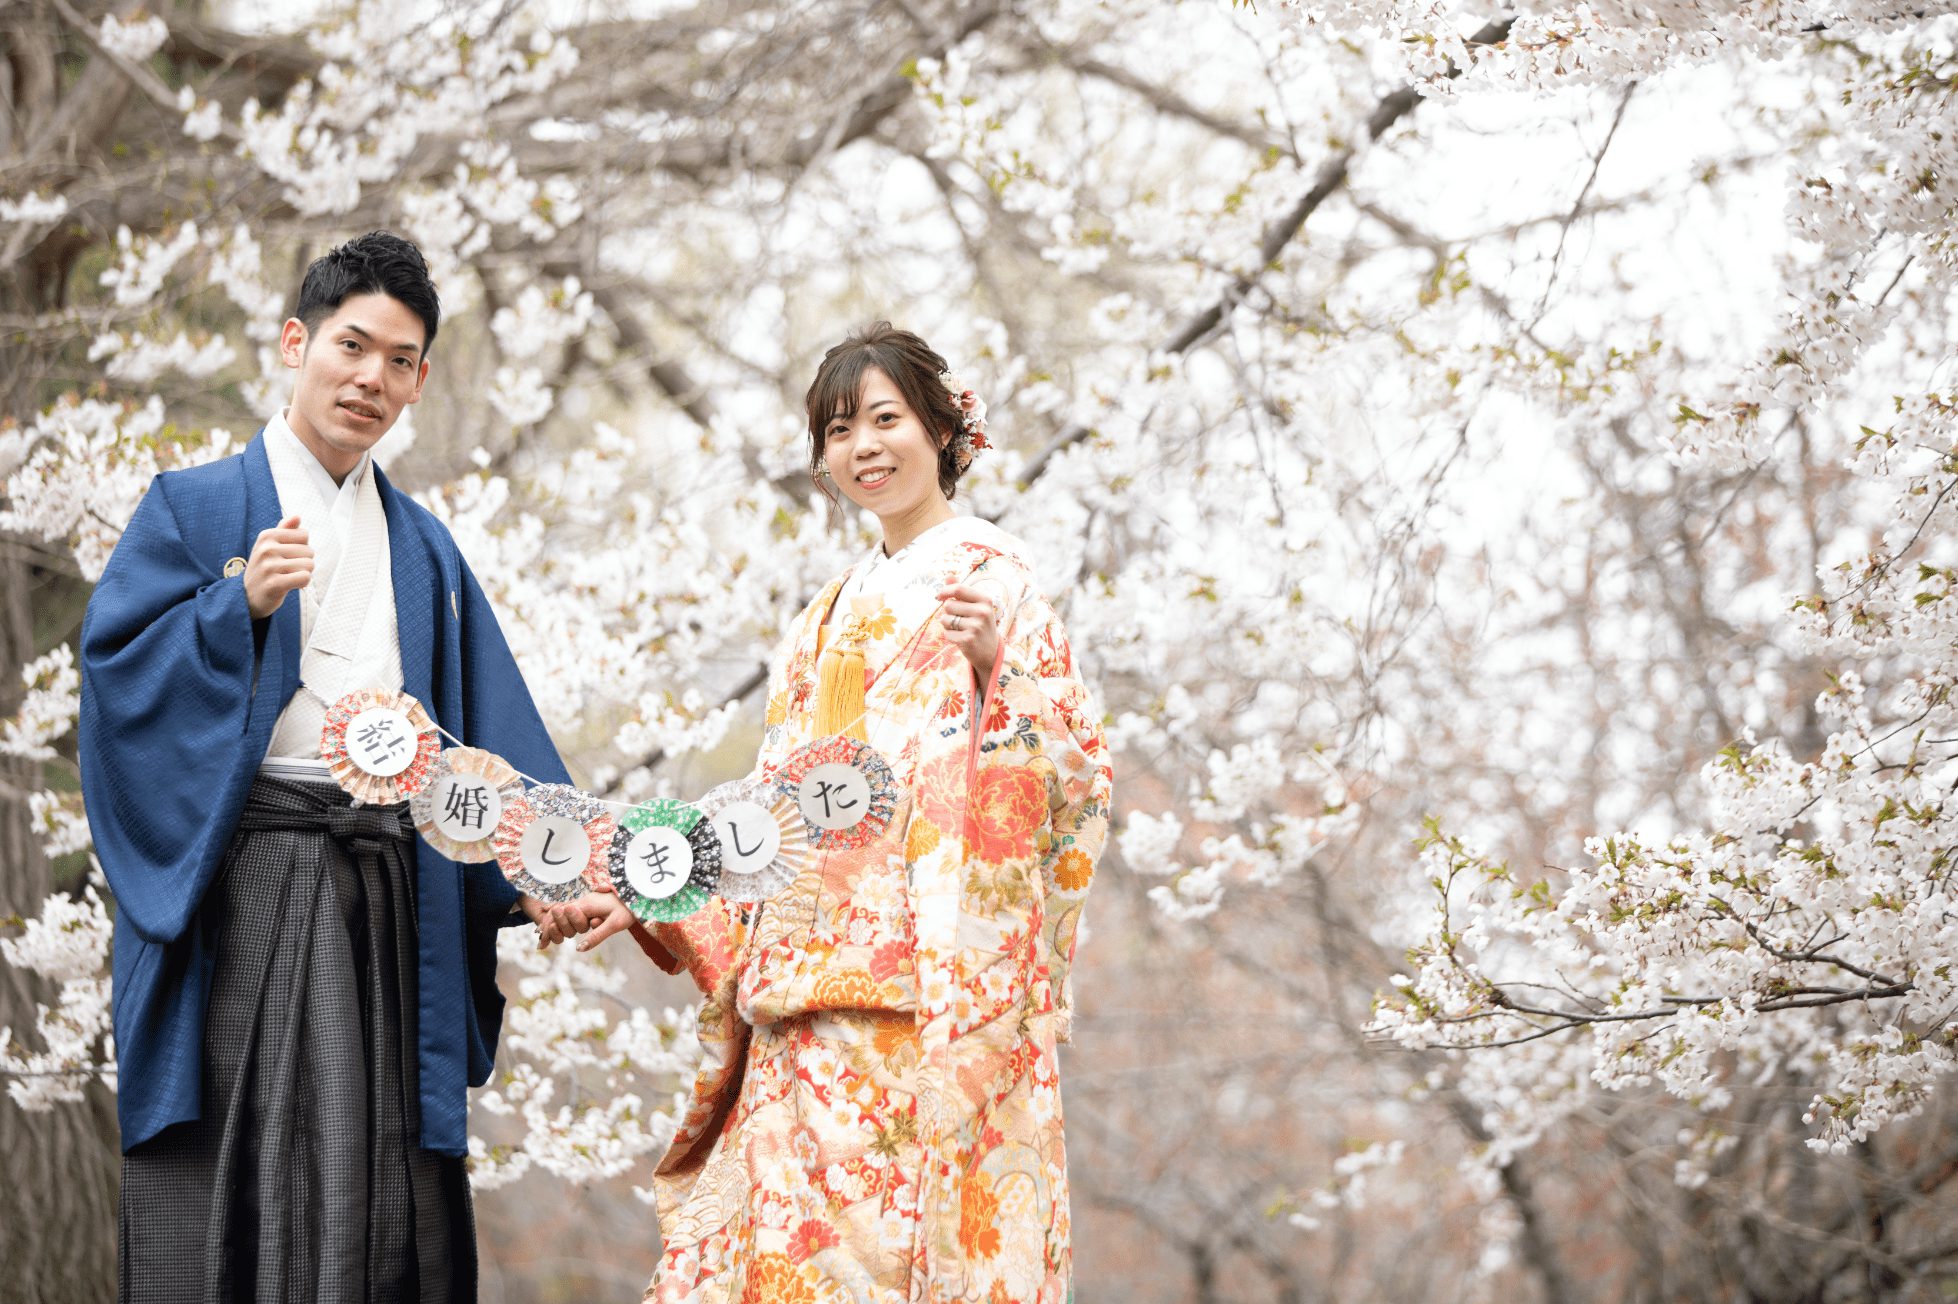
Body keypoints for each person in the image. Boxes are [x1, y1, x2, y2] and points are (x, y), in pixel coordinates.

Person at [79, 231, 595, 1302]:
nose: (369, 377)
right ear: (295, 341)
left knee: (378, 1180)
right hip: (245, 888)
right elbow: (119, 687)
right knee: (238, 1162)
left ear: (416, 383)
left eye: (399, 359)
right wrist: (236, 609)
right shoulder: (193, 509)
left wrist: (552, 866)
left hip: (386, 896)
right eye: (350, 345)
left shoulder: (424, 550)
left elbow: (488, 737)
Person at [574, 323, 1113, 1303]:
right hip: (799, 1013)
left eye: (883, 418)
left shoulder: (1001, 583)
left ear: (946, 427)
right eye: (835, 429)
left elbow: (1072, 787)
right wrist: (661, 877)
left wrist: (997, 671)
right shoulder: (820, 615)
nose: (861, 446)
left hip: (929, 1009)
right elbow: (779, 806)